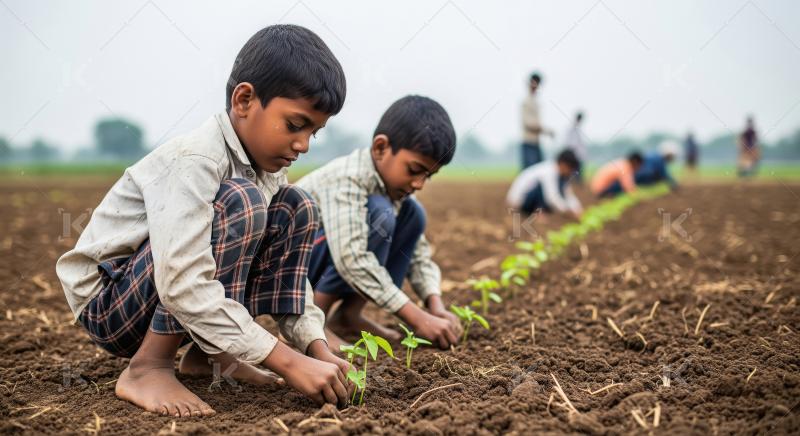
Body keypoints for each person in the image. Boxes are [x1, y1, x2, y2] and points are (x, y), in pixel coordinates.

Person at [56, 25, 354, 417]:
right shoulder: (197, 161)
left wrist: (316, 348)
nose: (303, 144)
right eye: (295, 125)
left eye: (314, 132)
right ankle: (149, 366)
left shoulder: (265, 171)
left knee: (295, 206)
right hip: (111, 303)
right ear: (244, 99)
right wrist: (286, 360)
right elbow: (180, 280)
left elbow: (291, 284)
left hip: (164, 295)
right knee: (240, 203)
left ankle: (207, 356)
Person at [296, 96, 463, 353]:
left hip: (325, 260)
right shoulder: (346, 178)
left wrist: (435, 305)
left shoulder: (396, 190)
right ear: (381, 148)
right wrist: (416, 318)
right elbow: (351, 258)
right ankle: (313, 322)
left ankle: (348, 316)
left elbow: (417, 255)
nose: (419, 183)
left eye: (427, 176)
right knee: (380, 213)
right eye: (414, 169)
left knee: (412, 214)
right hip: (292, 270)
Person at [506, 149, 583, 220]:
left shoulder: (561, 176)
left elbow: (568, 194)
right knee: (542, 187)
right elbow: (551, 198)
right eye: (570, 169)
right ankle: (538, 212)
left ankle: (539, 211)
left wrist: (578, 209)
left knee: (559, 188)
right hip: (520, 202)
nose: (570, 172)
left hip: (527, 200)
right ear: (563, 164)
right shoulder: (549, 171)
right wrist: (567, 211)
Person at [520, 72, 552, 169]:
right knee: (529, 173)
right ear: (529, 83)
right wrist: (545, 131)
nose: (536, 86)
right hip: (528, 142)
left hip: (536, 142)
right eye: (534, 83)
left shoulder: (536, 101)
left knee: (539, 172)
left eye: (537, 83)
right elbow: (528, 125)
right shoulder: (526, 101)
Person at [562, 111, 587, 182]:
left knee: (578, 174)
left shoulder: (577, 129)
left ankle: (577, 185)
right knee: (574, 174)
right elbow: (571, 143)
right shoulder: (571, 128)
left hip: (578, 156)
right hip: (573, 155)